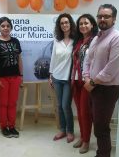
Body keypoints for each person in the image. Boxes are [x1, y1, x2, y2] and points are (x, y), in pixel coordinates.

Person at [82, 4, 119, 157]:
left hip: (107, 90)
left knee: (101, 128)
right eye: (100, 16)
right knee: (98, 125)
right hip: (93, 87)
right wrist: (86, 77)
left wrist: (92, 82)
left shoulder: (118, 39)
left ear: (114, 19)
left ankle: (103, 155)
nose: (102, 19)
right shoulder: (96, 38)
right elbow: (88, 60)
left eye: (106, 16)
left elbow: (111, 70)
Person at [0, 17, 23, 138]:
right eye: (3, 26)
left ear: (11, 27)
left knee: (13, 103)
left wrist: (21, 75)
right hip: (2, 78)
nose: (5, 28)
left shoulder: (15, 41)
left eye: (8, 26)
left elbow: (19, 59)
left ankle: (12, 126)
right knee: (3, 103)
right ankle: (4, 127)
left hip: (15, 77)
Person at [71, 14, 98, 154]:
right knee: (80, 112)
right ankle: (82, 136)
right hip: (76, 80)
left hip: (87, 81)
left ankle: (87, 141)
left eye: (86, 23)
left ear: (92, 25)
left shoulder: (96, 40)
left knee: (85, 112)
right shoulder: (79, 41)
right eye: (80, 24)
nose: (83, 26)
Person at [49, 13, 76, 143]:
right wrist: (50, 74)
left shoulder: (75, 40)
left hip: (69, 78)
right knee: (60, 105)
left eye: (66, 22)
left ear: (70, 23)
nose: (64, 25)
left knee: (66, 105)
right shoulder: (57, 40)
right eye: (62, 23)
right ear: (59, 26)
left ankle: (70, 131)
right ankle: (62, 130)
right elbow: (53, 58)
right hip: (57, 77)